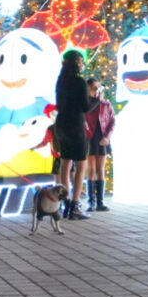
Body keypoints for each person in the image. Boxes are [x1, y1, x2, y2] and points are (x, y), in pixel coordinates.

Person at [55, 50, 96, 221]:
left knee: (65, 163)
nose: (82, 63)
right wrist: (97, 99)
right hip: (76, 126)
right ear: (76, 62)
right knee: (81, 166)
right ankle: (76, 206)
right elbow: (85, 107)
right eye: (80, 60)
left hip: (62, 125)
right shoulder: (79, 82)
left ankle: (65, 202)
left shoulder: (61, 81)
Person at [83, 79, 115, 212]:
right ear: (88, 89)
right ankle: (91, 202)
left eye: (98, 88)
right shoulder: (85, 104)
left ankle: (100, 202)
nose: (96, 91)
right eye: (94, 88)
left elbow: (112, 121)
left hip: (102, 137)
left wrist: (107, 136)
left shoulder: (106, 104)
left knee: (100, 170)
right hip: (89, 138)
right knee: (91, 170)